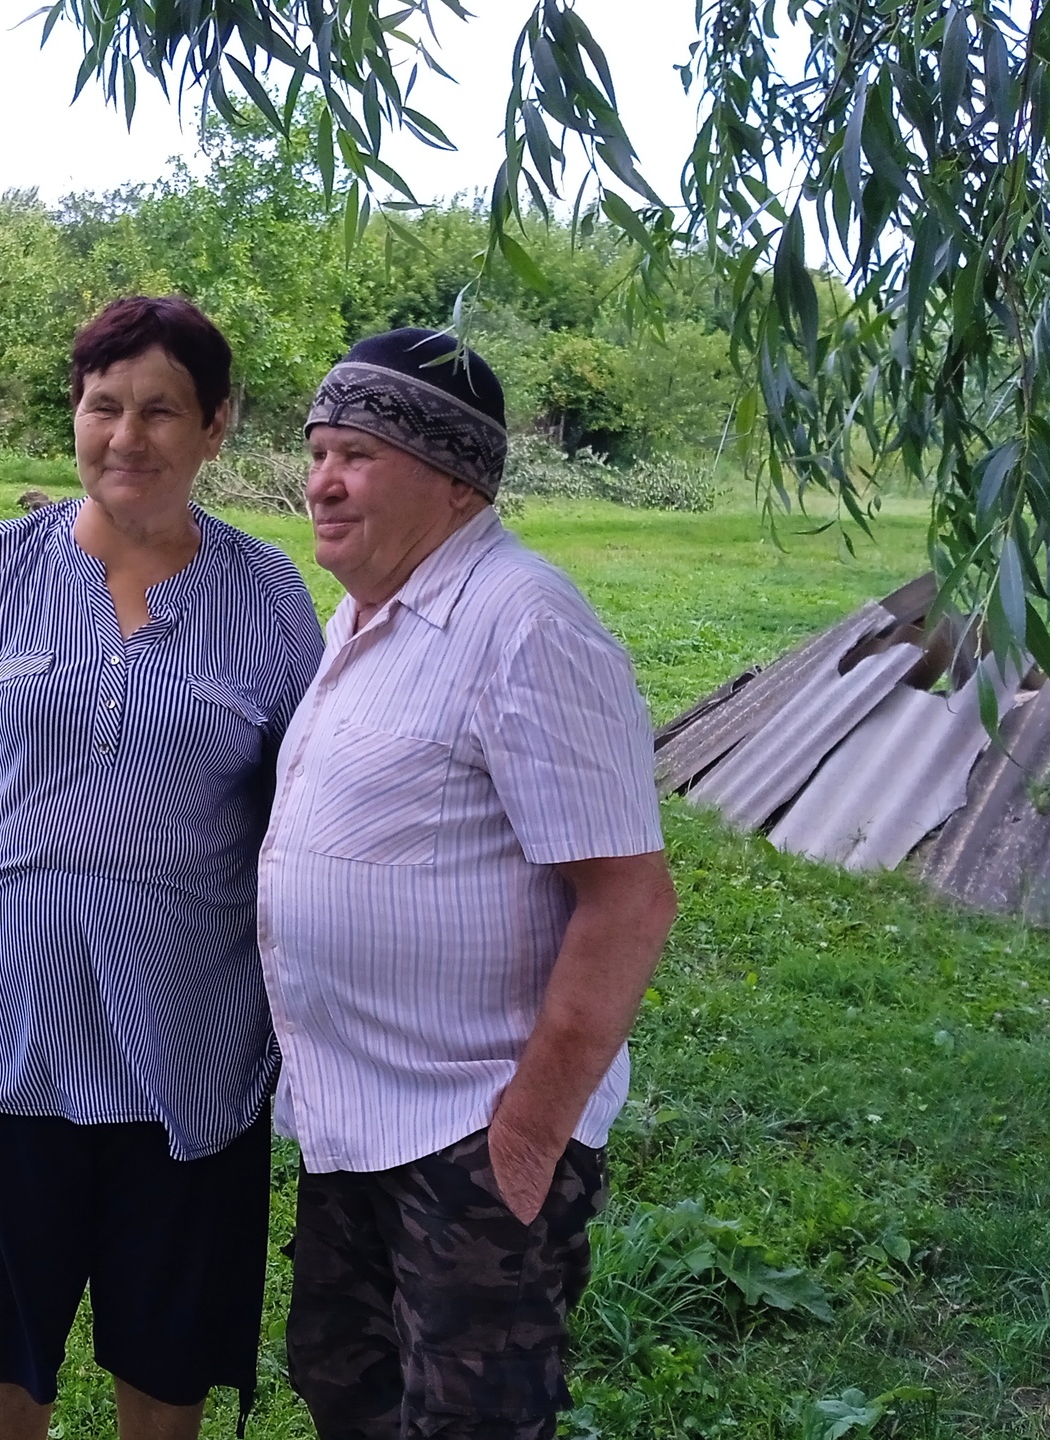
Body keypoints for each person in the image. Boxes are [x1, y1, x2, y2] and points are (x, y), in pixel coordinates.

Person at [0, 296, 326, 1440]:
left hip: (190, 1037)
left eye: (161, 410)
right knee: (1, 1318)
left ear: (215, 427)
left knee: (169, 1332)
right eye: (102, 404)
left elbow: (305, 819)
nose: (126, 435)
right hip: (0, 1016)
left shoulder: (269, 603)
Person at [257, 328, 680, 1439]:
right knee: (348, 1387)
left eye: (356, 454)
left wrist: (525, 1141)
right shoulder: (365, 615)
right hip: (354, 1119)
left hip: (467, 1134)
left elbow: (629, 901)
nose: (321, 481)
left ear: (451, 479)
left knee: (471, 1422)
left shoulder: (525, 625)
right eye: (316, 451)